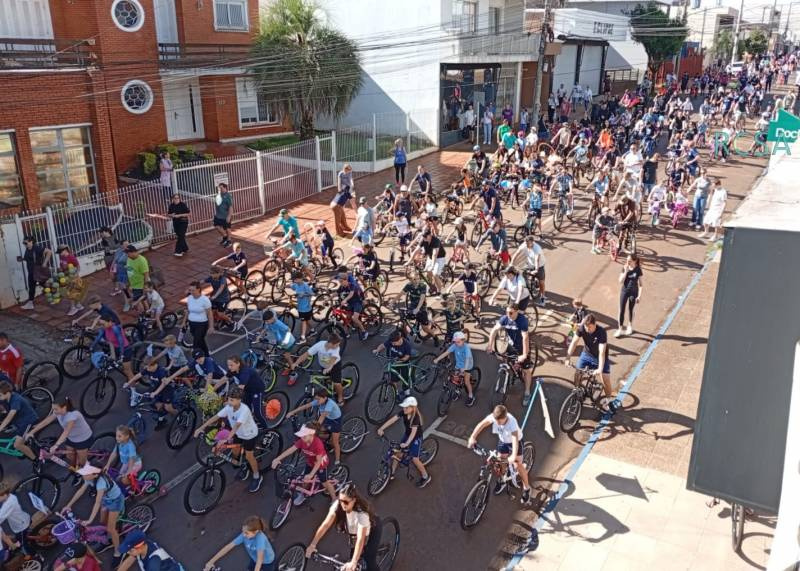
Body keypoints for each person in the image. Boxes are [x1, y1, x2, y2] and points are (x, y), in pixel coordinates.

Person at [194, 389, 264, 493]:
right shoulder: (229, 407)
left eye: (232, 400)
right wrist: (201, 428)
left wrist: (226, 439)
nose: (229, 402)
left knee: (249, 456)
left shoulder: (244, 410)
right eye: (229, 399)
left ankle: (257, 476)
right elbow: (215, 417)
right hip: (238, 434)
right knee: (235, 452)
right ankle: (243, 465)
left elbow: (236, 426)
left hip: (249, 434)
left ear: (239, 400)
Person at [306, 482, 382, 571]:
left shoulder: (361, 514)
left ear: (354, 500)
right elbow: (325, 525)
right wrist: (312, 544)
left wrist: (354, 561)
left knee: (369, 561)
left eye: (346, 502)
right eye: (340, 500)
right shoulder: (337, 506)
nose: (342, 505)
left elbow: (360, 539)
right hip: (355, 534)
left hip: (372, 531)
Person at [62, 463, 126, 566]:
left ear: (94, 474)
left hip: (115, 500)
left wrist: (90, 520)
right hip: (107, 500)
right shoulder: (89, 478)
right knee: (102, 522)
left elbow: (97, 502)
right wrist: (68, 505)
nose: (83, 476)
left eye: (85, 474)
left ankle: (118, 552)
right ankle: (109, 539)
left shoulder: (101, 483)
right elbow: (80, 491)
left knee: (110, 529)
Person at [467, 405, 531, 503]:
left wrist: (513, 456)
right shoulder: (495, 416)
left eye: (499, 421)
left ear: (505, 417)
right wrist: (472, 437)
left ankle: (527, 488)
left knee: (517, 465)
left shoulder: (512, 422)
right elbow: (482, 424)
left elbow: (514, 440)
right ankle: (502, 481)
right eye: (495, 420)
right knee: (500, 463)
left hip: (516, 442)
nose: (496, 423)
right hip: (503, 441)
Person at [564, 313, 617, 412]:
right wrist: (568, 358)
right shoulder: (582, 329)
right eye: (586, 327)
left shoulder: (601, 332)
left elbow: (601, 352)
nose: (588, 329)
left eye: (590, 327)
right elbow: (574, 342)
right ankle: (578, 393)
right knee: (577, 373)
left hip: (600, 357)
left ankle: (609, 400)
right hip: (587, 355)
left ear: (595, 324)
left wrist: (600, 368)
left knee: (605, 379)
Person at [271, 422, 337, 500]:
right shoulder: (302, 441)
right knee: (304, 480)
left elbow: (318, 462)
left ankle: (334, 498)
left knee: (325, 483)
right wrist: (277, 459)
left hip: (321, 465)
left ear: (311, 435)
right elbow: (291, 449)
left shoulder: (318, 445)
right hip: (310, 462)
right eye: (301, 436)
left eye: (304, 436)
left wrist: (311, 474)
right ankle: (304, 494)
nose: (302, 438)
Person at [22, 396, 93, 469]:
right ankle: (76, 469)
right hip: (71, 438)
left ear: (64, 407)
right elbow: (47, 421)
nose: (54, 411)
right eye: (53, 409)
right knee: (70, 456)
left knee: (82, 463)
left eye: (56, 409)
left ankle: (88, 471)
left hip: (83, 439)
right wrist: (32, 432)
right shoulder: (58, 412)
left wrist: (56, 445)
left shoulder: (72, 416)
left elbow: (66, 432)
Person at [376, 396, 431, 488]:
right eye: (404, 407)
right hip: (407, 435)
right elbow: (393, 420)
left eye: (406, 407)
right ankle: (392, 473)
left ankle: (426, 477)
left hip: (415, 438)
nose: (404, 409)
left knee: (415, 459)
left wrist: (407, 443)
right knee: (397, 452)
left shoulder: (415, 418)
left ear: (412, 408)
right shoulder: (404, 412)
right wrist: (382, 428)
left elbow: (413, 433)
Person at [488, 304, 534, 406]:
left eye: (511, 313)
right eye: (507, 312)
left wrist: (525, 354)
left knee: (526, 370)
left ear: (517, 311)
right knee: (506, 361)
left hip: (522, 347)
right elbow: (494, 330)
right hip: (511, 346)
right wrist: (490, 345)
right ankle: (509, 376)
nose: (508, 314)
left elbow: (525, 338)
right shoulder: (505, 319)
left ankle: (527, 392)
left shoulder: (522, 321)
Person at [287, 389, 343, 464]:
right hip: (328, 418)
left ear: (325, 398)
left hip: (335, 421)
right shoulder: (319, 401)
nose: (317, 401)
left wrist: (314, 429)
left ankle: (337, 461)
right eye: (316, 399)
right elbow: (306, 406)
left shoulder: (330, 404)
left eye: (318, 399)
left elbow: (322, 417)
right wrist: (292, 412)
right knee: (321, 434)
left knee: (335, 442)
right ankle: (328, 441)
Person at [204, 515, 276, 571]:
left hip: (267, 562)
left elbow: (260, 560)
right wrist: (211, 562)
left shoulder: (260, 539)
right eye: (243, 531)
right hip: (254, 559)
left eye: (246, 533)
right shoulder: (244, 535)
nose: (243, 535)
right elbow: (228, 547)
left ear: (256, 532)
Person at [289, 334, 343, 404]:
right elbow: (306, 354)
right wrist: (296, 363)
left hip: (335, 365)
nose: (338, 346)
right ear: (330, 343)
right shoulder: (320, 345)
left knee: (336, 383)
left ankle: (340, 397)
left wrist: (329, 367)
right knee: (326, 380)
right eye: (337, 344)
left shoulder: (336, 349)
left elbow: (333, 360)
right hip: (324, 365)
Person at [433, 331, 475, 407]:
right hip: (459, 365)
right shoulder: (455, 346)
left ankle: (471, 396)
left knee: (466, 381)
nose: (456, 343)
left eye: (458, 342)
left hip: (467, 365)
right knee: (455, 378)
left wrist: (464, 369)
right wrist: (437, 359)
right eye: (455, 342)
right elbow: (446, 353)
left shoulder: (466, 348)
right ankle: (457, 391)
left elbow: (467, 359)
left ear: (463, 340)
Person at [117, 529, 184, 571]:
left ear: (139, 547)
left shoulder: (153, 562)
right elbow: (129, 561)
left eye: (130, 550)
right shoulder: (144, 546)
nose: (128, 553)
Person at [510, 235, 546, 305]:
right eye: (525, 243)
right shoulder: (524, 245)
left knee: (541, 282)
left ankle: (543, 299)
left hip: (539, 266)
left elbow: (536, 259)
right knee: (521, 273)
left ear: (532, 242)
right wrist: (511, 264)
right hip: (529, 264)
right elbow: (517, 253)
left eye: (528, 243)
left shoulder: (537, 248)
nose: (526, 245)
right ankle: (527, 286)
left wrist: (536, 269)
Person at [19, 235, 52, 310]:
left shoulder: (37, 248)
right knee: (32, 287)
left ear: (31, 242)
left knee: (44, 285)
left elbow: (49, 252)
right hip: (31, 271)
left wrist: (45, 263)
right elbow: (29, 259)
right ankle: (30, 303)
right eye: (24, 243)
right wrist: (23, 259)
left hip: (37, 271)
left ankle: (54, 294)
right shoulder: (28, 249)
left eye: (26, 243)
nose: (24, 244)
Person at [182, 281, 214, 356]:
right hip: (192, 323)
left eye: (193, 290)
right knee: (200, 340)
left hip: (202, 324)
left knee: (196, 342)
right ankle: (206, 354)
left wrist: (211, 326)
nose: (191, 292)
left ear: (198, 289)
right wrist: (183, 322)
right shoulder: (189, 298)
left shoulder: (205, 300)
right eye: (190, 290)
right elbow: (188, 311)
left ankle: (196, 357)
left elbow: (210, 314)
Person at [0, 482, 31, 556]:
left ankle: (31, 555)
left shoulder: (9, 504)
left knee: (24, 546)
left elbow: (1, 516)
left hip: (21, 526)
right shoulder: (10, 497)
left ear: (4, 495)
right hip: (22, 519)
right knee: (19, 537)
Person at [616, 254, 643, 337]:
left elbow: (641, 285)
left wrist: (639, 296)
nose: (627, 262)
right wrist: (626, 272)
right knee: (621, 310)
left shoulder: (638, 269)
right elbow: (620, 281)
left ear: (634, 261)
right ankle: (620, 329)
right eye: (627, 260)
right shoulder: (624, 267)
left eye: (629, 261)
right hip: (624, 291)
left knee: (631, 309)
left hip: (633, 292)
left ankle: (630, 326)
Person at [332, 164, 355, 236]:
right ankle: (339, 232)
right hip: (336, 206)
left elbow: (351, 180)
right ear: (345, 169)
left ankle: (345, 226)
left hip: (338, 203)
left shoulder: (347, 192)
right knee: (338, 218)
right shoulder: (346, 193)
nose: (349, 171)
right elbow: (339, 183)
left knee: (342, 214)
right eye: (348, 170)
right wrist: (339, 189)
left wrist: (352, 185)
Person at [213, 182, 233, 247]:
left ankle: (229, 241)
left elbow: (230, 207)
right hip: (218, 215)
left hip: (226, 216)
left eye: (221, 188)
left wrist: (229, 216)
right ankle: (225, 237)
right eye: (219, 189)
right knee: (216, 226)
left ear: (225, 188)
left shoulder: (228, 196)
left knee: (227, 228)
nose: (220, 190)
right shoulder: (218, 195)